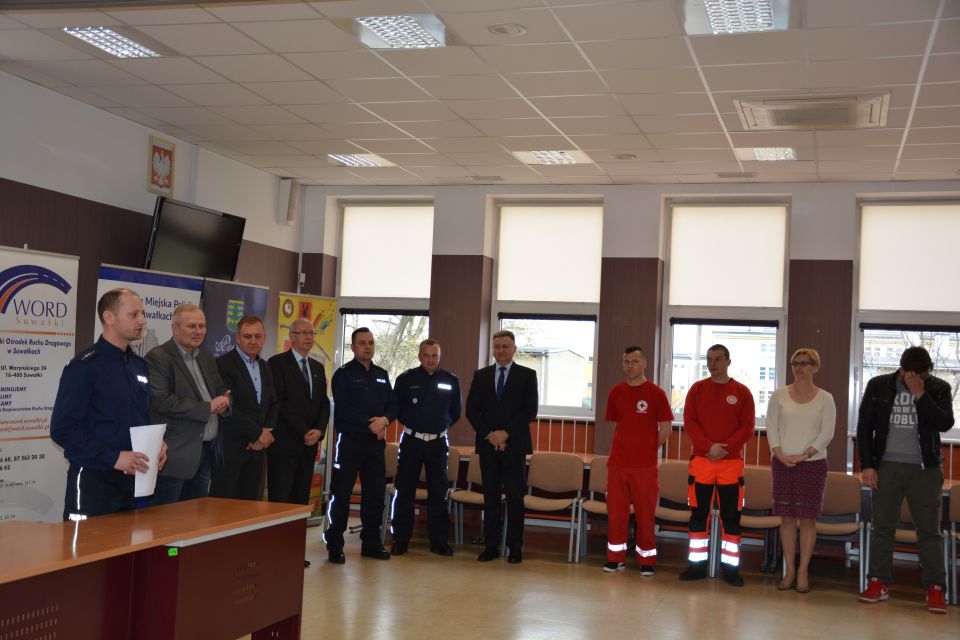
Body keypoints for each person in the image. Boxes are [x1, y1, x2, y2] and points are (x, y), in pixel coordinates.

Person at [51, 288, 166, 520]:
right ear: (109, 317)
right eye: (134, 315)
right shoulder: (84, 367)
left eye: (143, 314)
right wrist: (114, 457)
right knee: (88, 544)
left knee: (133, 543)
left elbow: (143, 414)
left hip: (136, 481)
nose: (142, 320)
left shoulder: (139, 365)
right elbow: (62, 430)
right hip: (94, 482)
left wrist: (157, 444)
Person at [857, 346, 954, 614]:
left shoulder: (939, 388)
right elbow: (864, 427)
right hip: (886, 467)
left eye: (923, 375)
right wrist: (867, 465)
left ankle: (935, 588)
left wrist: (921, 394)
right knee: (882, 527)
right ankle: (878, 582)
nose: (919, 379)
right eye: (914, 375)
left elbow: (945, 423)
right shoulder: (878, 385)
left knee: (929, 531)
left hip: (925, 469)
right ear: (902, 370)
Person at [679, 344, 755, 586]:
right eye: (709, 359)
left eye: (718, 359)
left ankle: (730, 570)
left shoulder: (742, 392)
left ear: (728, 361)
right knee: (698, 515)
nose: (713, 364)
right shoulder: (697, 389)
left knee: (731, 517)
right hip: (701, 462)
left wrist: (724, 448)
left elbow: (747, 427)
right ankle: (696, 567)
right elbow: (690, 421)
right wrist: (708, 447)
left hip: (731, 464)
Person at [324, 327, 397, 564]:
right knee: (341, 495)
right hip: (350, 443)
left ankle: (371, 543)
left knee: (374, 495)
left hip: (375, 446)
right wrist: (371, 424)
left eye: (371, 343)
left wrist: (385, 420)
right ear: (353, 347)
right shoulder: (343, 375)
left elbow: (393, 405)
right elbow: (344, 408)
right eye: (362, 343)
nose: (367, 347)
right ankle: (335, 545)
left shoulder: (382, 374)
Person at [145, 304, 231, 506]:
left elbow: (220, 390)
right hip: (175, 455)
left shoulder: (206, 357)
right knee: (166, 518)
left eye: (202, 326)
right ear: (174, 328)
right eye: (191, 326)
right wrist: (208, 407)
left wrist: (225, 403)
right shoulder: (159, 357)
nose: (198, 331)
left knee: (195, 516)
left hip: (206, 451)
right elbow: (161, 401)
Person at [766, 347, 835, 593]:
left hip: (812, 464)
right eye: (795, 363)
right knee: (786, 519)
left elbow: (827, 433)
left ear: (815, 367)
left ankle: (803, 571)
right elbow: (771, 427)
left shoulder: (825, 398)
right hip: (782, 463)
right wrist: (779, 454)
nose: (799, 367)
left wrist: (805, 455)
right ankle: (789, 571)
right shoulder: (779, 395)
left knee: (807, 519)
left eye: (805, 363)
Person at [466, 330, 538, 564]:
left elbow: (530, 410)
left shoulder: (527, 375)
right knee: (491, 498)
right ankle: (491, 547)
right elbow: (472, 410)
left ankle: (515, 548)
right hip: (488, 446)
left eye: (505, 346)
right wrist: (491, 435)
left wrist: (505, 433)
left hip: (514, 447)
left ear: (514, 349)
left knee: (515, 499)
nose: (501, 350)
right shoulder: (481, 376)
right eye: (497, 346)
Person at [602, 346, 673, 575]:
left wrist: (649, 447)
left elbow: (666, 428)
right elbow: (614, 423)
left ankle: (646, 561)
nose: (629, 366)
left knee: (645, 515)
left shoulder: (656, 393)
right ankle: (615, 558)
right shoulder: (616, 391)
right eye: (626, 362)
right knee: (616, 514)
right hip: (618, 464)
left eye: (634, 361)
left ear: (644, 364)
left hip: (645, 466)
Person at [390, 339, 462, 557]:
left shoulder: (450, 380)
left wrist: (440, 425)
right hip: (412, 441)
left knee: (438, 493)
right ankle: (400, 540)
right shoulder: (406, 379)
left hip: (438, 443)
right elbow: (397, 408)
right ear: (420, 356)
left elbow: (455, 411)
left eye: (434, 356)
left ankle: (439, 542)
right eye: (426, 355)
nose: (430, 360)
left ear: (440, 357)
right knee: (405, 492)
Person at [210, 315, 277, 501]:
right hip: (231, 449)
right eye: (247, 336)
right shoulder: (223, 364)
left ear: (264, 338)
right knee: (225, 509)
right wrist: (257, 434)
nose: (253, 341)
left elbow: (272, 403)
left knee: (250, 507)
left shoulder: (265, 366)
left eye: (258, 336)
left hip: (257, 450)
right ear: (237, 338)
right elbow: (229, 408)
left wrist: (266, 432)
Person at [267, 318, 330, 506]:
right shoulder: (277, 363)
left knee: (301, 500)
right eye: (304, 333)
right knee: (281, 500)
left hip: (308, 446)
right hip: (284, 445)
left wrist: (319, 430)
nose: (309, 337)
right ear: (292, 336)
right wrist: (304, 430)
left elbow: (323, 403)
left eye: (311, 333)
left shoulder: (317, 367)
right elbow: (279, 403)